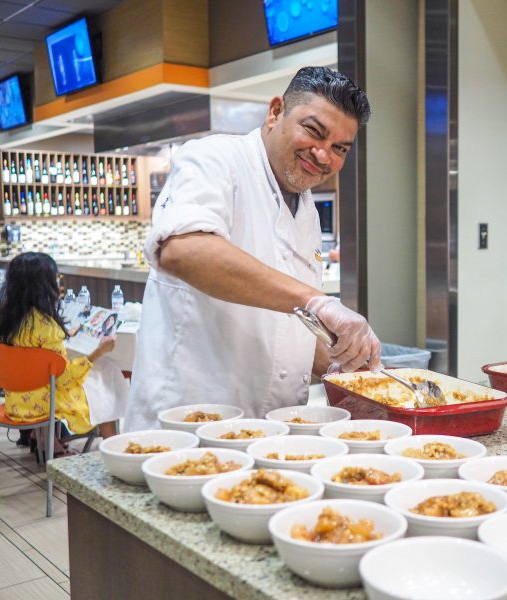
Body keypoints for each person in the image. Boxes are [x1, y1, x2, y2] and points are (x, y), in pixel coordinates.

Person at [125, 66, 381, 431]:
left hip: (272, 431)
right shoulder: (216, 158)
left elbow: (283, 330)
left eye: (339, 148)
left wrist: (349, 364)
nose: (324, 156)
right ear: (276, 111)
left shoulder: (306, 209)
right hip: (187, 426)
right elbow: (181, 249)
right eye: (313, 131)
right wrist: (316, 300)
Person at [0, 253, 119, 445]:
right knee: (105, 383)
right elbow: (63, 378)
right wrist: (98, 352)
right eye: (56, 278)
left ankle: (43, 438)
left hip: (14, 403)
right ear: (44, 285)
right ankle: (113, 446)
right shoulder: (47, 327)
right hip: (43, 404)